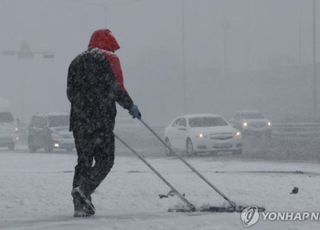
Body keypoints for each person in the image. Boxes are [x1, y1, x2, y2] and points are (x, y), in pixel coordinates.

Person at [67, 28, 141, 217]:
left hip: (79, 123)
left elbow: (70, 93)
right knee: (105, 161)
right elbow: (113, 87)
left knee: (83, 162)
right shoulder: (102, 60)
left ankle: (80, 203)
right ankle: (84, 190)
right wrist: (129, 105)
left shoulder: (75, 62)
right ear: (106, 44)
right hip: (101, 122)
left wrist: (84, 111)